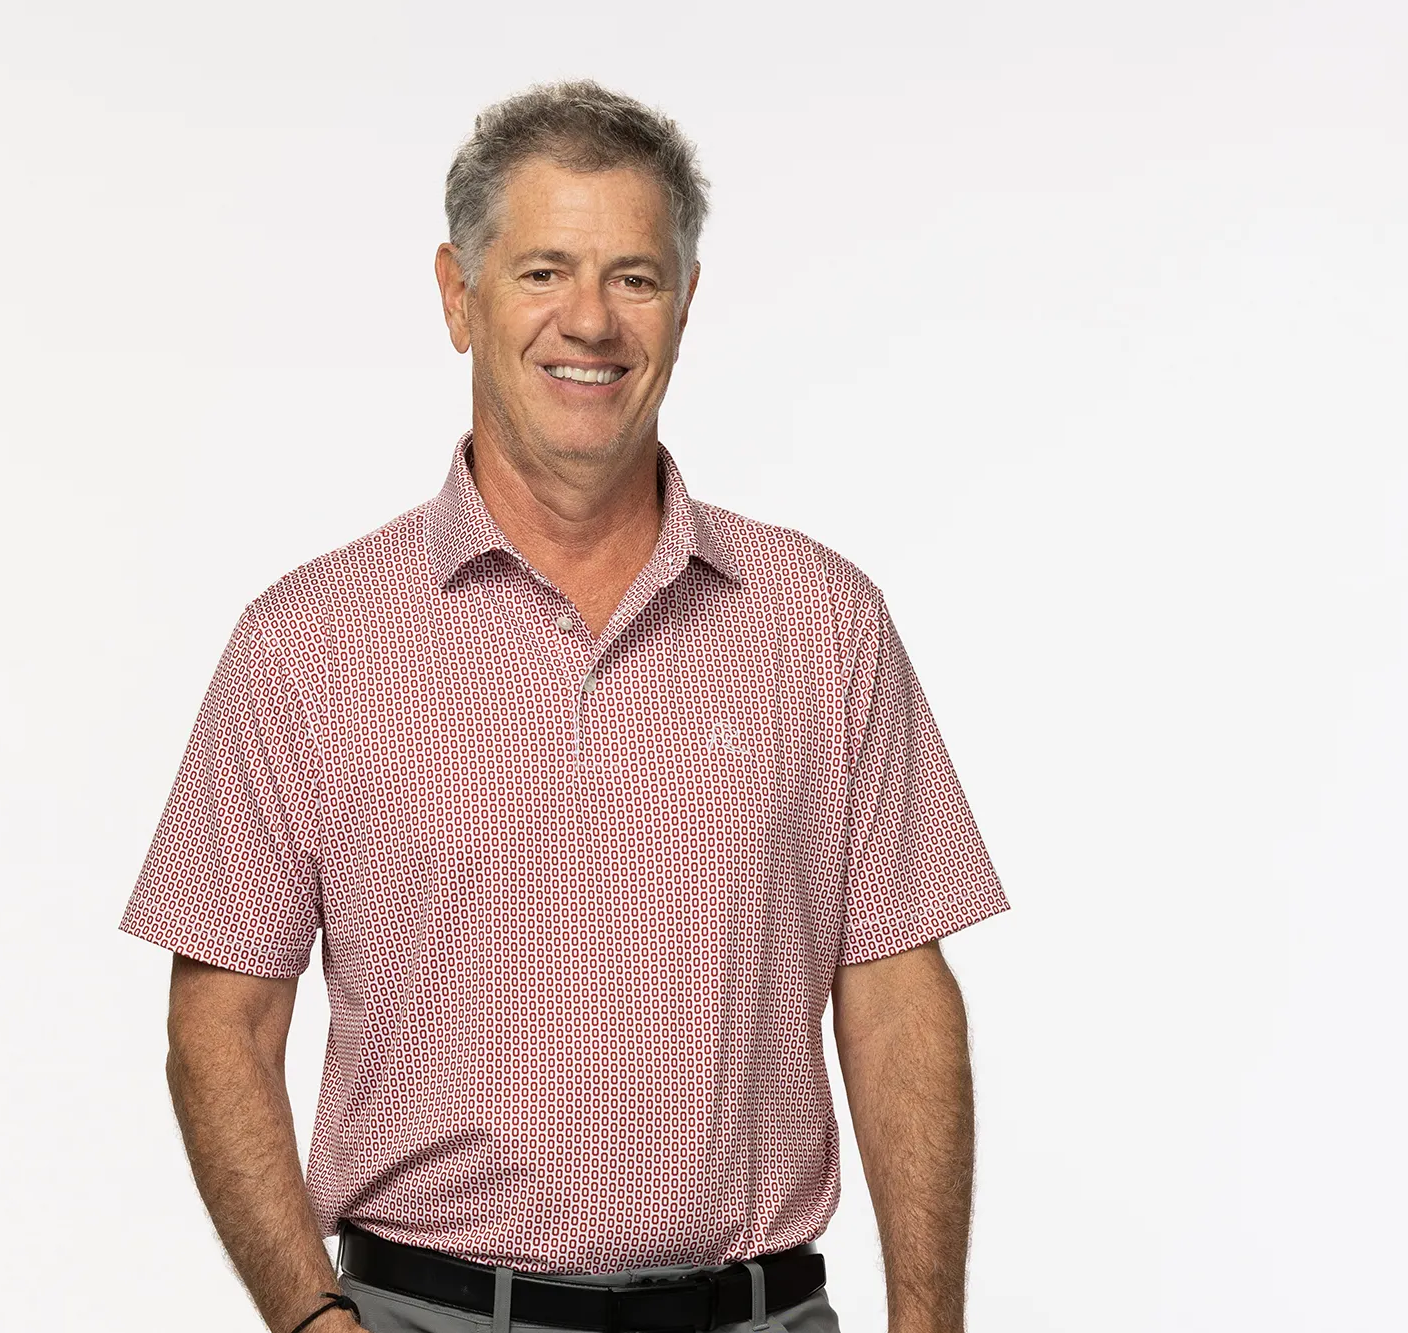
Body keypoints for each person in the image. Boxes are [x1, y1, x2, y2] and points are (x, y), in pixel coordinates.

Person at [120, 79, 1010, 1333]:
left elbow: (897, 993)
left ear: (685, 305)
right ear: (456, 295)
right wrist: (311, 1323)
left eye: (634, 277)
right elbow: (220, 1015)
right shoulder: (309, 643)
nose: (588, 320)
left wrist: (930, 1326)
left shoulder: (820, 622)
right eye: (543, 270)